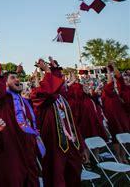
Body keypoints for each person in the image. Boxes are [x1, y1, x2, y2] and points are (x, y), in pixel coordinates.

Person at [0, 35, 43, 187]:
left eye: (18, 78)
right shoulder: (2, 100)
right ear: (4, 83)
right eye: (12, 78)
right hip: (10, 152)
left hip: (28, 152)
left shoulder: (25, 102)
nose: (17, 80)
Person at [30, 58, 87, 187]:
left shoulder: (63, 100)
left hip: (72, 146)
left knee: (73, 175)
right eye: (56, 76)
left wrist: (82, 147)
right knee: (56, 179)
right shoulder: (42, 99)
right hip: (54, 147)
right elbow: (48, 91)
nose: (59, 79)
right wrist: (47, 71)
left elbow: (73, 125)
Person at [102, 63, 130, 163]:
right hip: (113, 118)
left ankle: (124, 155)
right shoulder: (107, 91)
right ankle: (118, 156)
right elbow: (110, 80)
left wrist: (113, 67)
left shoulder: (123, 90)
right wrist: (109, 71)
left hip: (123, 117)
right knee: (116, 137)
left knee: (125, 135)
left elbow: (119, 77)